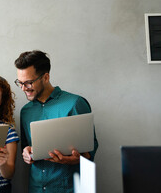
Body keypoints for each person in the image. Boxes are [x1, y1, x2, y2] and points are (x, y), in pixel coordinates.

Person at [14, 50, 99, 193]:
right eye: (20, 83)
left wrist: (73, 160)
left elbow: (91, 150)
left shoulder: (75, 103)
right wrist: (26, 154)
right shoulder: (26, 111)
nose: (23, 88)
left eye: (28, 83)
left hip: (68, 188)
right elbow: (27, 147)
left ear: (45, 77)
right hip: (36, 188)